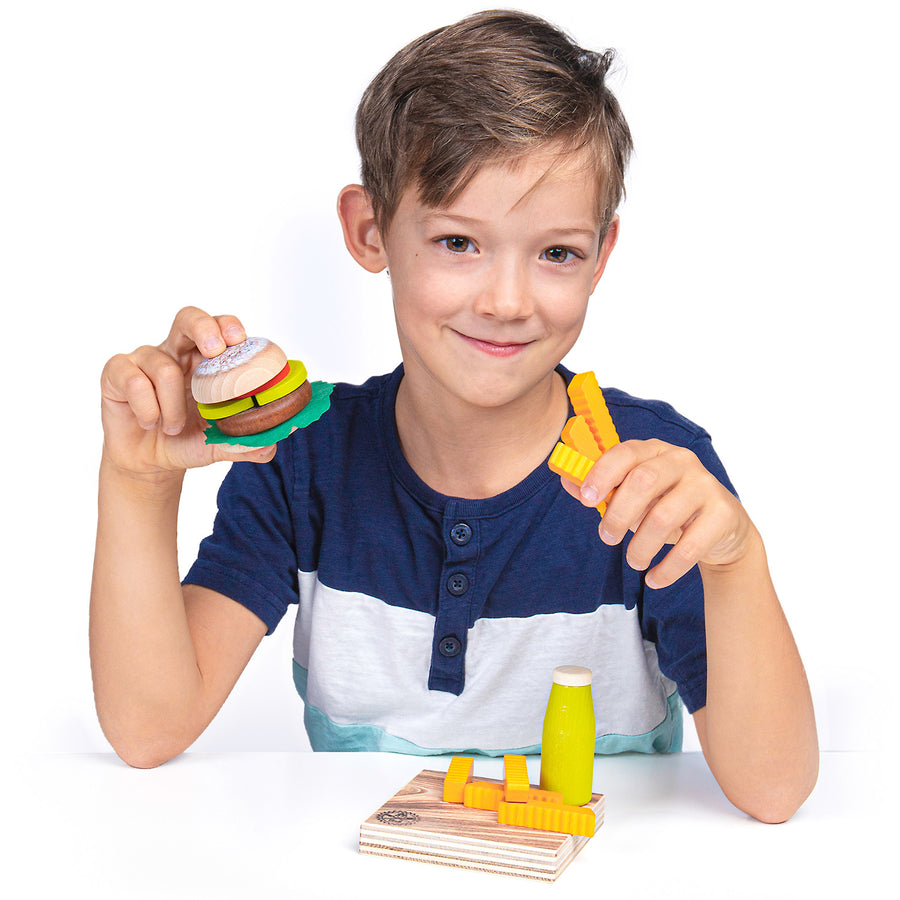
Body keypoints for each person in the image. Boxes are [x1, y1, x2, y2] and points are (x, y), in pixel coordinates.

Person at [90, 10, 817, 822]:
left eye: (556, 253)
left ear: (601, 256)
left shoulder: (656, 474)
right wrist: (136, 479)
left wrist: (735, 561)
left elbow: (775, 790)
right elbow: (149, 729)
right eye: (458, 243)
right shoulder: (299, 459)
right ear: (371, 232)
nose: (506, 302)